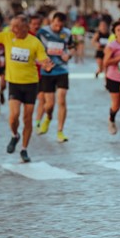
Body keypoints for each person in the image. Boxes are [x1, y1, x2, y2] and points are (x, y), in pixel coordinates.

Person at [0, 15, 52, 162]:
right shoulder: (8, 36)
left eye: (17, 27)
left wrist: (46, 64)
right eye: (12, 26)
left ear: (26, 27)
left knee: (27, 118)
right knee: (13, 116)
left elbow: (43, 58)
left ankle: (24, 149)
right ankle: (15, 135)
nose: (13, 29)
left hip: (31, 83)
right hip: (14, 83)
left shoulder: (34, 42)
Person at [36, 12, 74, 142]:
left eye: (61, 26)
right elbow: (35, 49)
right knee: (49, 104)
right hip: (47, 71)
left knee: (62, 100)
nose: (58, 28)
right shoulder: (42, 32)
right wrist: (42, 62)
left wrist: (68, 55)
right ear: (52, 21)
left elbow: (72, 47)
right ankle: (48, 117)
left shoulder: (67, 33)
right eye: (56, 25)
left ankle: (60, 131)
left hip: (62, 70)